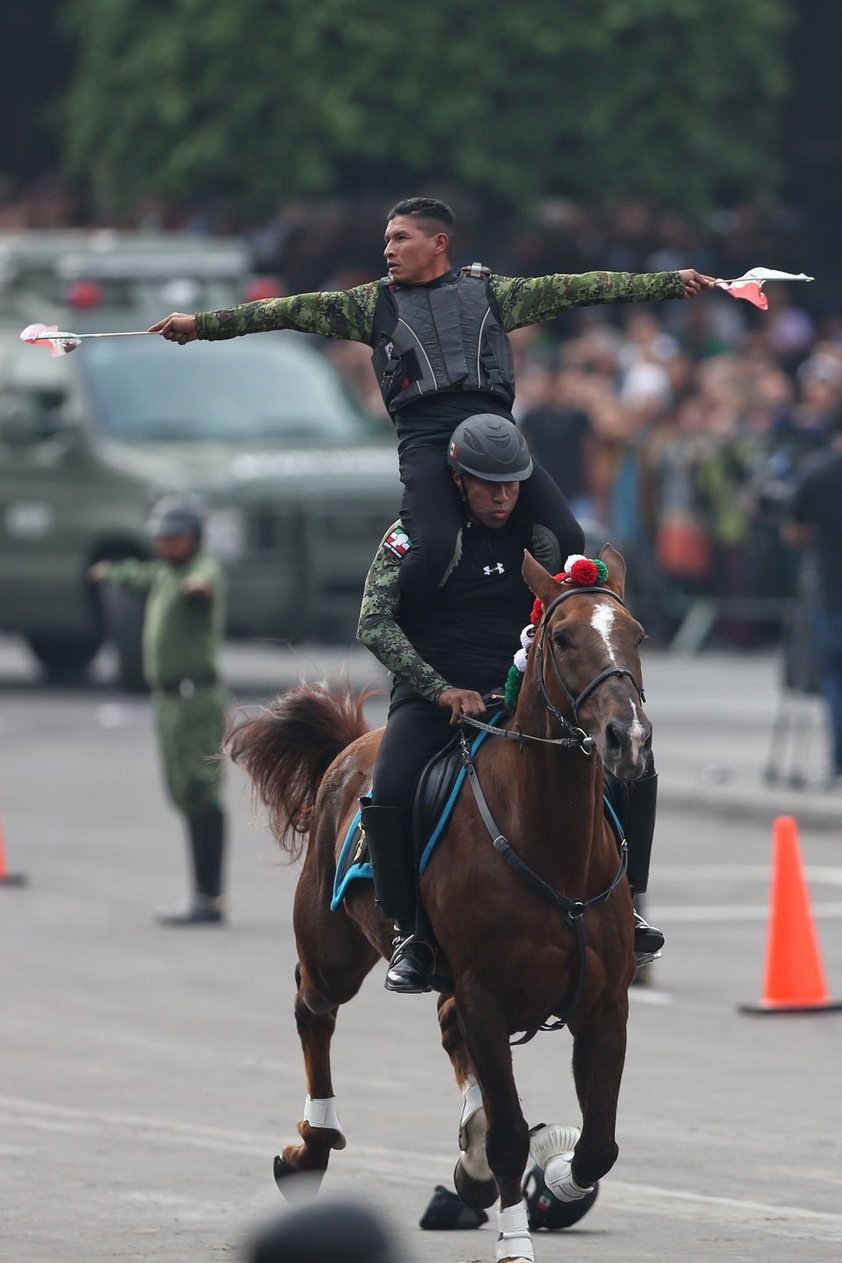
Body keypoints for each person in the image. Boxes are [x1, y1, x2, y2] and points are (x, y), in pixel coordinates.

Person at [149, 196, 715, 608]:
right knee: (434, 548)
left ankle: (542, 638)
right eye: (387, 239)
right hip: (427, 437)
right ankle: (426, 638)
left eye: (401, 238)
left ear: (438, 243)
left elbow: (589, 285)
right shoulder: (367, 305)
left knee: (566, 538)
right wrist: (199, 325)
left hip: (495, 433)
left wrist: (670, 282)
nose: (387, 249)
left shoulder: (494, 293)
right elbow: (278, 310)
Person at [356, 413, 663, 993]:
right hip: (434, 695)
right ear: (457, 479)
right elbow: (372, 624)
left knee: (637, 766)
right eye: (486, 485)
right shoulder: (410, 537)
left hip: (521, 688)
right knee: (391, 786)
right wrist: (438, 688)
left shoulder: (539, 537)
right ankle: (410, 934)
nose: (501, 498)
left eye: (512, 484)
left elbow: (575, 619)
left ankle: (629, 901)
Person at [88, 495, 228, 925]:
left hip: (195, 700)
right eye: (162, 538)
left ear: (195, 538)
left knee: (201, 792)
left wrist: (197, 588)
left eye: (176, 537)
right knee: (183, 792)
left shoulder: (199, 570)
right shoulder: (164, 573)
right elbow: (137, 575)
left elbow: (205, 580)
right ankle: (201, 893)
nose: (168, 545)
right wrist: (110, 571)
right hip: (169, 699)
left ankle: (209, 896)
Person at [782, 408, 842, 783]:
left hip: (831, 591)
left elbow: (794, 533)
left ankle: (839, 757)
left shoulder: (817, 474)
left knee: (834, 676)